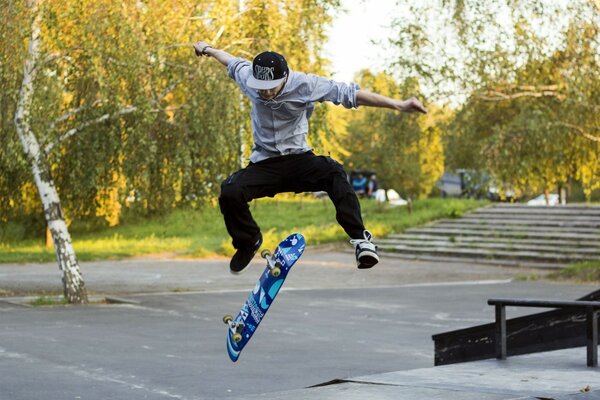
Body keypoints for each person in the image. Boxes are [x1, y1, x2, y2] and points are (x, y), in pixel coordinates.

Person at [193, 41, 428, 275]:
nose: (265, 93)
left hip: (299, 161)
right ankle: (248, 241)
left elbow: (351, 95)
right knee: (230, 191)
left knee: (334, 172)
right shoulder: (248, 78)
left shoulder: (306, 84)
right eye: (261, 87)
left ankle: (361, 240)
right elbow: (230, 60)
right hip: (264, 164)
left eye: (271, 87)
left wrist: (399, 104)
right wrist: (207, 49)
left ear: (285, 78)